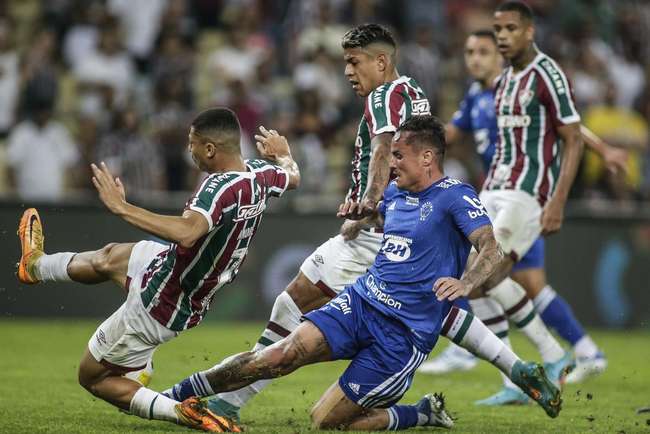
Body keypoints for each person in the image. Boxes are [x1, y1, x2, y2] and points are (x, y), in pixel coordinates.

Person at [195, 23, 546, 422]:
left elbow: (383, 149)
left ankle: (229, 400)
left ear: (381, 62)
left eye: (354, 61)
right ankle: (515, 368)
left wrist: (369, 203)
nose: (348, 71)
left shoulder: (384, 95)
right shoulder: (414, 92)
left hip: (376, 232)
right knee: (433, 310)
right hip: (405, 227)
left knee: (292, 302)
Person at [165, 116, 563, 432]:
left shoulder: (455, 197)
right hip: (359, 305)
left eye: (399, 156)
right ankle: (175, 398)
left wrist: (466, 283)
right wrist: (358, 219)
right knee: (276, 357)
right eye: (390, 155)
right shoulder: (394, 194)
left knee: (324, 420)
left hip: (400, 338)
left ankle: (420, 414)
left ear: (427, 158)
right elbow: (386, 222)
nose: (392, 164)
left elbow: (490, 248)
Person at [16, 107, 300, 432]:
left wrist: (122, 208)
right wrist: (285, 154)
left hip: (162, 297)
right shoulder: (262, 174)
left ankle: (178, 411)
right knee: (110, 258)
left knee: (92, 377)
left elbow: (187, 231)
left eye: (192, 143)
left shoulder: (218, 187)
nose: (189, 150)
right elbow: (294, 176)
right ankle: (36, 265)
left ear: (210, 149)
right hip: (174, 269)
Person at [419, 28, 625, 389]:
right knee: (509, 281)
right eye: (469, 52)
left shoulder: (514, 88)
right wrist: (414, 135)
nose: (475, 59)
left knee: (502, 278)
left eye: (483, 51)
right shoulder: (475, 96)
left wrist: (604, 150)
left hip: (522, 198)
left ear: (500, 56)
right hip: (498, 199)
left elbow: (569, 127)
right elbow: (450, 133)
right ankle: (569, 355)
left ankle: (566, 355)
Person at [452, 1, 587, 403]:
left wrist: (557, 201)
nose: (504, 36)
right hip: (494, 187)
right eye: (499, 30)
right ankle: (522, 375)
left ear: (529, 31)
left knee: (487, 273)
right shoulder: (505, 79)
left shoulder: (546, 74)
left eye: (511, 28)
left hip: (528, 193)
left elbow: (574, 137)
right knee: (476, 284)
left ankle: (553, 355)